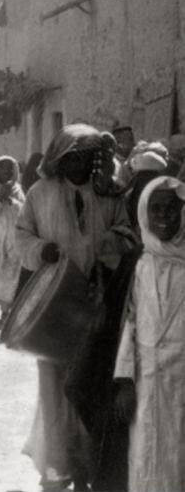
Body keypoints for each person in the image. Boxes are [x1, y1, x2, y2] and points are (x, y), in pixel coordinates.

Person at [15, 124, 134, 492]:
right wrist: (42, 250)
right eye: (70, 156)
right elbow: (22, 234)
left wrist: (108, 250)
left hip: (98, 302)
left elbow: (127, 231)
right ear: (58, 158)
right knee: (55, 387)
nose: (77, 163)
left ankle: (87, 467)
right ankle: (59, 462)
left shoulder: (108, 194)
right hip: (54, 305)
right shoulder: (39, 193)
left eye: (84, 156)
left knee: (90, 383)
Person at [113, 175, 185, 492]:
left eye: (171, 209)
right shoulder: (139, 264)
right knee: (146, 456)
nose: (163, 217)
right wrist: (125, 380)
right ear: (144, 213)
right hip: (146, 380)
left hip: (181, 379)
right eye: (155, 209)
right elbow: (129, 323)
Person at [0, 156, 25, 319]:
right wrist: (0, 199)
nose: (7, 171)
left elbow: (24, 213)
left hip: (13, 238)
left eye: (10, 168)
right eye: (3, 168)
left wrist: (12, 201)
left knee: (12, 272)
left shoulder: (19, 190)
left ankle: (6, 307)